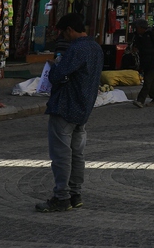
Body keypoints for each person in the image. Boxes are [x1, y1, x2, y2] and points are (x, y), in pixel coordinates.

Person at [35, 13, 103, 212]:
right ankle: (75, 194)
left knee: (61, 155)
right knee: (77, 154)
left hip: (66, 106)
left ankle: (61, 196)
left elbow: (57, 75)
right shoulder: (95, 47)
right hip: (84, 108)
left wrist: (55, 66)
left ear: (70, 30)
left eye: (64, 34)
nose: (64, 38)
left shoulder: (76, 49)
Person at [131, 19, 154, 108]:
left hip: (153, 61)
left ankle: (140, 100)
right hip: (145, 62)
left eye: (137, 28)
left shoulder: (152, 35)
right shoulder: (138, 36)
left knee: (147, 81)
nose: (136, 29)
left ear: (142, 28)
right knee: (150, 82)